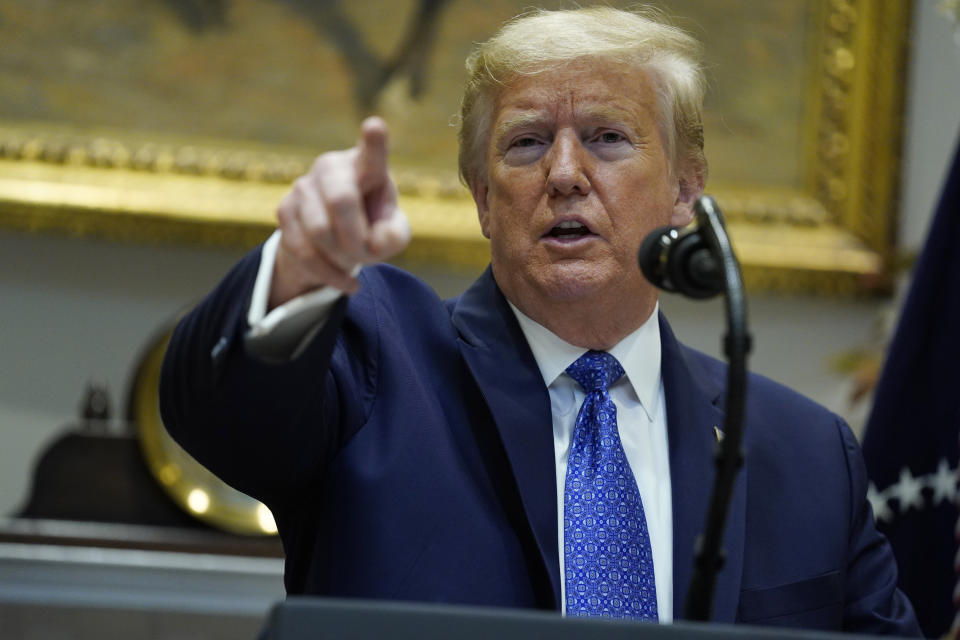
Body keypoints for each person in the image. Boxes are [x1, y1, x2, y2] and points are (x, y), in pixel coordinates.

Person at [160, 7, 920, 634]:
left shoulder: (807, 456)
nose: (563, 174)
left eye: (607, 138)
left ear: (686, 190)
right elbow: (224, 417)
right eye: (526, 144)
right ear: (485, 199)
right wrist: (296, 271)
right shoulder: (376, 359)